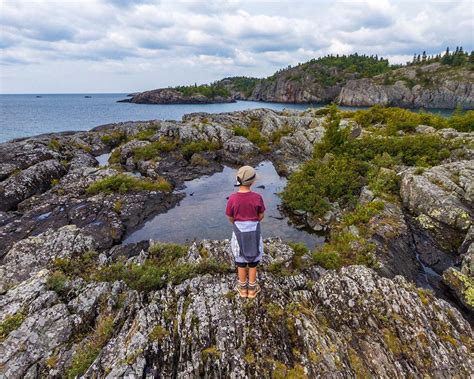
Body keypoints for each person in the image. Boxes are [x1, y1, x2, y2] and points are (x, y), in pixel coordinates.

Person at [225, 165, 265, 298]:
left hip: (238, 233)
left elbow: (230, 217)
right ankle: (252, 290)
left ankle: (242, 290)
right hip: (254, 232)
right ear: (253, 182)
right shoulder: (258, 197)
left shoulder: (232, 198)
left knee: (240, 261)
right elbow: (261, 215)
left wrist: (238, 223)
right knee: (253, 262)